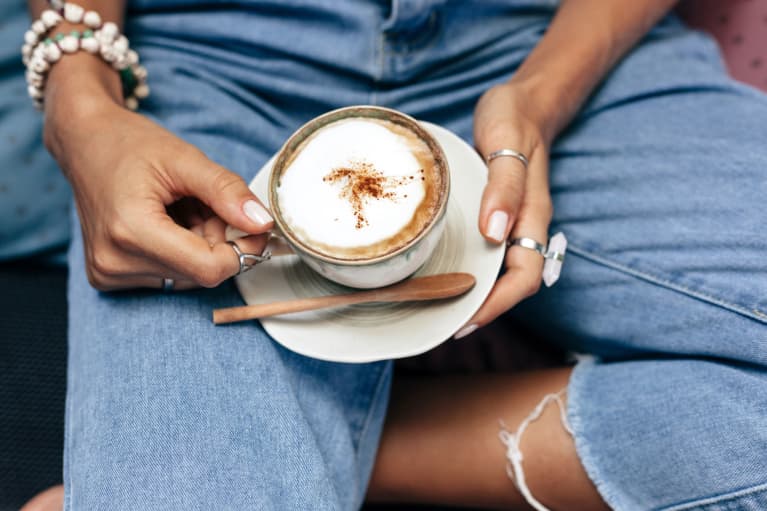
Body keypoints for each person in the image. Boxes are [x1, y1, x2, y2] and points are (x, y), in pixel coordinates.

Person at [16, 0, 767, 509]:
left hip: (544, 41)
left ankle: (340, 436)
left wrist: (540, 95)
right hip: (214, 54)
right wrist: (80, 102)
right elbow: (80, 89)